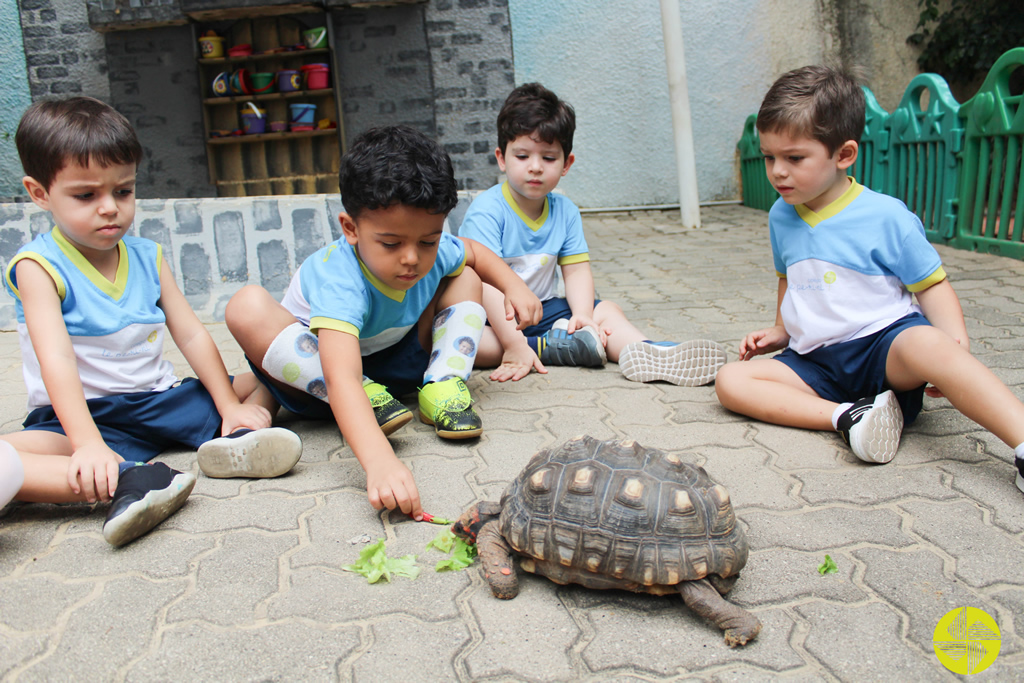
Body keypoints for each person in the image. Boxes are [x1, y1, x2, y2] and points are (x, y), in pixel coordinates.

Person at [2, 96, 303, 546]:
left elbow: (190, 332)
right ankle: (134, 478)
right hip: (77, 419)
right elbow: (56, 359)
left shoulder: (147, 256)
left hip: (158, 403)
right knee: (9, 458)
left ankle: (237, 436)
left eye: (123, 191)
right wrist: (87, 443)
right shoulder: (37, 267)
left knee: (257, 381)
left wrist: (228, 404)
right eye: (87, 195)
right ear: (39, 193)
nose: (110, 207)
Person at [715, 65, 1024, 494]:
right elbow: (790, 279)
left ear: (843, 155)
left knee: (933, 343)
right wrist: (780, 331)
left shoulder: (886, 215)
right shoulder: (781, 215)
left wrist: (956, 342)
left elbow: (931, 284)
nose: (777, 172)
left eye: (794, 158)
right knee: (732, 381)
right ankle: (849, 417)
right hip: (817, 363)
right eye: (769, 157)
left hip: (883, 347)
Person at [224, 125, 543, 520]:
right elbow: (340, 379)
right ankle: (334, 399)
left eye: (427, 240)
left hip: (398, 365)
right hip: (324, 379)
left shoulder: (429, 249)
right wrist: (379, 461)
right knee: (246, 305)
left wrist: (514, 285)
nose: (412, 258)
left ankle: (443, 384)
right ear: (351, 228)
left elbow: (473, 253)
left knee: (465, 275)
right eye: (391, 244)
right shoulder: (340, 279)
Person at [458, 83, 727, 385]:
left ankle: (647, 351)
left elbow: (575, 272)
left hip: (545, 309)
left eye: (548, 158)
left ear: (566, 164)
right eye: (522, 156)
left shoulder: (566, 210)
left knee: (607, 311)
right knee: (463, 339)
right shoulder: (487, 210)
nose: (535, 167)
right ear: (502, 158)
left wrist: (583, 315)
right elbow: (488, 286)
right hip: (493, 316)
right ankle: (541, 348)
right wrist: (513, 344)